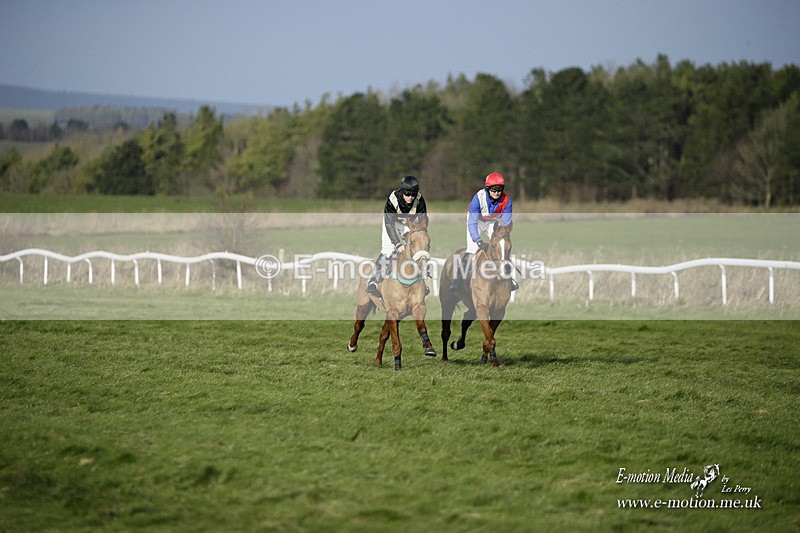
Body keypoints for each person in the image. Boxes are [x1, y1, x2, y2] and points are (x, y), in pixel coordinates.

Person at [449, 171, 518, 291]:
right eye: (494, 189)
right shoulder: (478, 198)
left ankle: (509, 278)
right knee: (472, 249)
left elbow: (506, 224)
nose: (497, 192)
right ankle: (457, 280)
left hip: (492, 223)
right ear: (487, 189)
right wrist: (478, 240)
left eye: (500, 189)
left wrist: (503, 235)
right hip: (476, 222)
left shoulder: (507, 200)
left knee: (501, 247)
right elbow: (472, 223)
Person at [365, 175, 428, 297]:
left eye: (413, 195)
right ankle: (373, 280)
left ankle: (422, 282)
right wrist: (398, 243)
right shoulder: (393, 199)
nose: (410, 198)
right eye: (407, 194)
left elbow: (421, 223)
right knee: (388, 251)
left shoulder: (420, 200)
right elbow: (389, 224)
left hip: (408, 225)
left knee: (416, 250)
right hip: (392, 224)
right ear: (402, 192)